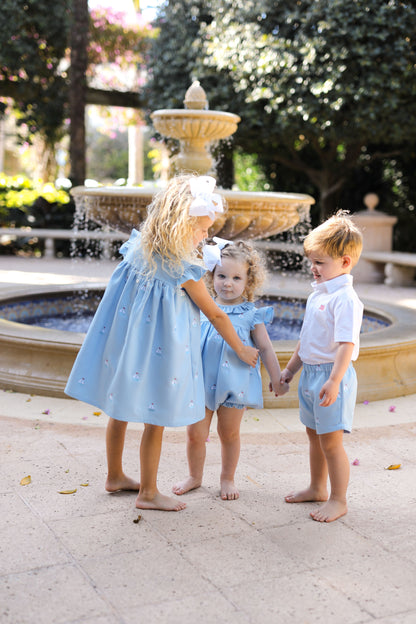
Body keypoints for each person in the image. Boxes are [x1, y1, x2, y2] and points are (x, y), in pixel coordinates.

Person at [65, 175, 258, 512]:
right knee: (153, 418)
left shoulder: (138, 248)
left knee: (119, 410)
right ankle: (149, 493)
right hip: (158, 349)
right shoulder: (182, 268)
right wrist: (241, 348)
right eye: (199, 230)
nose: (204, 237)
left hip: (128, 345)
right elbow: (216, 315)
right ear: (180, 223)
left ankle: (115, 476)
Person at [173, 239, 289, 501]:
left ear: (248, 282)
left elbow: (267, 348)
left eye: (237, 277)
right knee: (195, 434)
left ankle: (227, 478)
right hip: (201, 383)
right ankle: (195, 476)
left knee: (229, 433)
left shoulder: (251, 314)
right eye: (222, 275)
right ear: (211, 275)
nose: (228, 283)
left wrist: (277, 378)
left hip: (234, 384)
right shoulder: (202, 307)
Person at [280, 211, 364, 522]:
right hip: (311, 376)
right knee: (313, 435)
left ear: (345, 262)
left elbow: (346, 345)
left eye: (321, 262)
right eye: (312, 261)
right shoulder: (318, 295)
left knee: (331, 442)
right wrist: (290, 370)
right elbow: (306, 340)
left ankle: (339, 499)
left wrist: (334, 381)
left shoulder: (345, 299)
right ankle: (317, 487)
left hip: (332, 377)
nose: (313, 268)